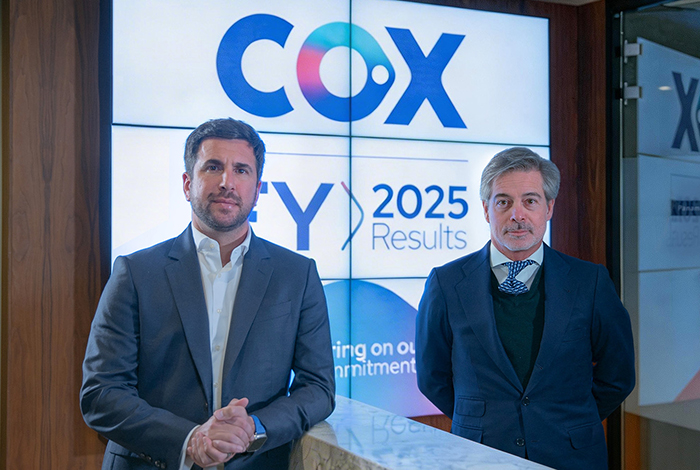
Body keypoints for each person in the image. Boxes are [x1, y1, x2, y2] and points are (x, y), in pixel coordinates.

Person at [81, 118, 335, 470]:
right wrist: (189, 440)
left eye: (241, 170)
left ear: (257, 189)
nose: (227, 182)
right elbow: (101, 394)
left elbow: (318, 388)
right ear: (188, 184)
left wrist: (254, 428)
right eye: (213, 167)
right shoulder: (135, 273)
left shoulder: (297, 274)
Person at [415, 147, 635, 470]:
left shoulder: (591, 282)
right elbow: (431, 377)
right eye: (503, 202)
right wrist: (482, 421)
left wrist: (572, 419)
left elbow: (619, 375)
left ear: (549, 207)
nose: (517, 215)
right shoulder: (446, 284)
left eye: (530, 201)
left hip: (572, 457)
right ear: (486, 210)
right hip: (480, 456)